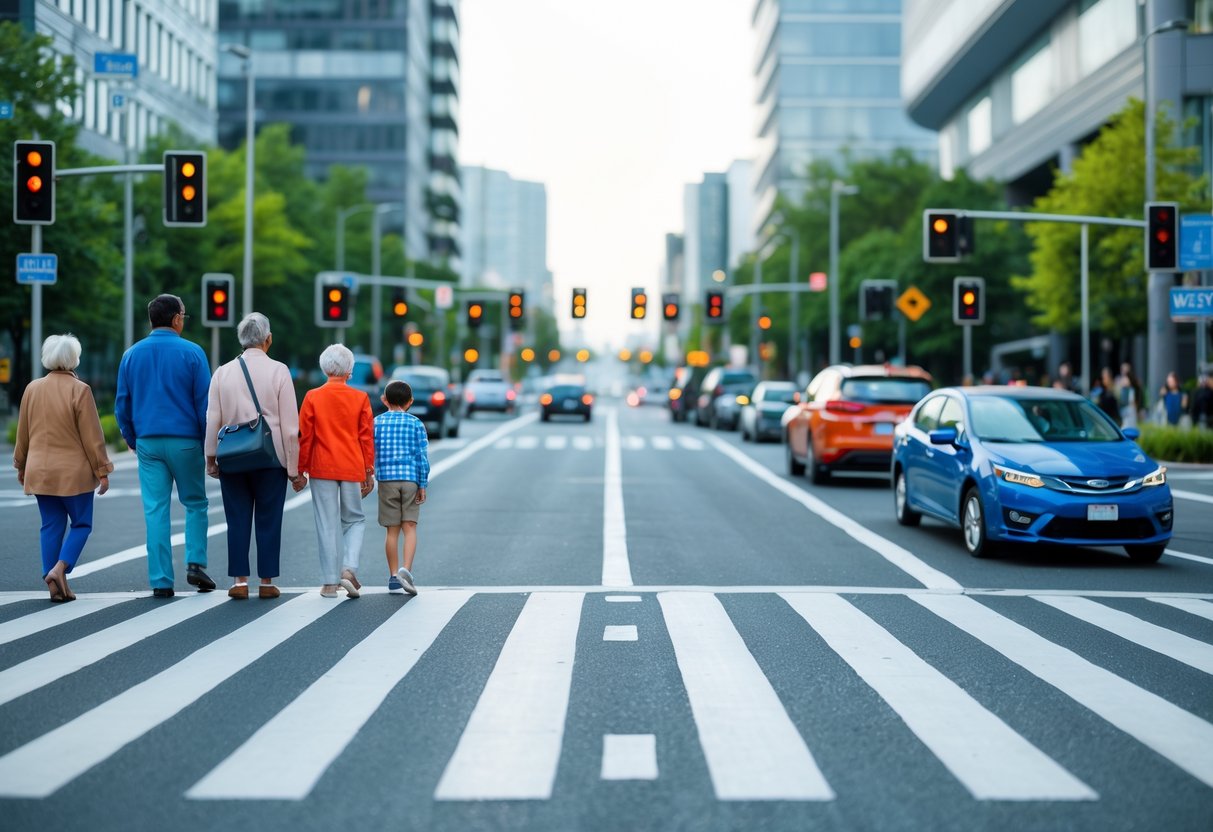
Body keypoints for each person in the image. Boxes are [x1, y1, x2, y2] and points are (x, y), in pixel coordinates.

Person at [115, 294, 215, 598]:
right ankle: (195, 563)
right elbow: (204, 406)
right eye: (183, 315)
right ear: (176, 319)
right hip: (186, 441)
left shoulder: (131, 355)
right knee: (195, 503)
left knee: (156, 509)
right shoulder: (193, 352)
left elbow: (122, 405)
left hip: (148, 442)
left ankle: (160, 580)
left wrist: (133, 439)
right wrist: (207, 445)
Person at [204, 313, 301, 600]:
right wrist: (294, 469)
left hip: (233, 457)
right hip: (271, 458)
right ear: (268, 339)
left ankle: (239, 582)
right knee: (269, 519)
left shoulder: (222, 373)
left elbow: (212, 418)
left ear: (241, 340)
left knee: (237, 518)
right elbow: (290, 426)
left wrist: (210, 458)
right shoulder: (279, 371)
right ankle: (267, 581)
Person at [13, 335, 113, 602]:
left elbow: (23, 433)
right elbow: (92, 437)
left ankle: (55, 585)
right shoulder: (80, 390)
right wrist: (102, 470)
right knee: (81, 524)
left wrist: (21, 464)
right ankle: (59, 569)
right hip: (73, 473)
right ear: (74, 359)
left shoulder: (32, 389)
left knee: (51, 525)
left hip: (40, 470)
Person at [298, 344, 375, 599]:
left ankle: (330, 583)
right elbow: (366, 437)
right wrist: (368, 470)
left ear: (324, 368)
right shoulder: (360, 398)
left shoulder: (312, 397)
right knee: (355, 519)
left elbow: (305, 437)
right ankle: (349, 569)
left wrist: (300, 470)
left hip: (321, 466)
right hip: (352, 465)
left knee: (326, 522)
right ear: (350, 370)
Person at [373, 380, 430, 595]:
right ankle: (406, 570)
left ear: (384, 400)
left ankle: (393, 576)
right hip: (410, 480)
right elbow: (422, 457)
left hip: (387, 479)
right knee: (410, 527)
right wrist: (422, 484)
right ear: (410, 401)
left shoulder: (376, 423)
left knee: (392, 530)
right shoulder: (416, 423)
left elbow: (370, 452)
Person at [1116, 361, 1144, 429]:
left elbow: (1137, 399)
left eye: (1126, 370)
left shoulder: (1135, 384)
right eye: (1123, 370)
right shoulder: (1118, 381)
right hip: (1122, 409)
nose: (1124, 372)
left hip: (1130, 410)